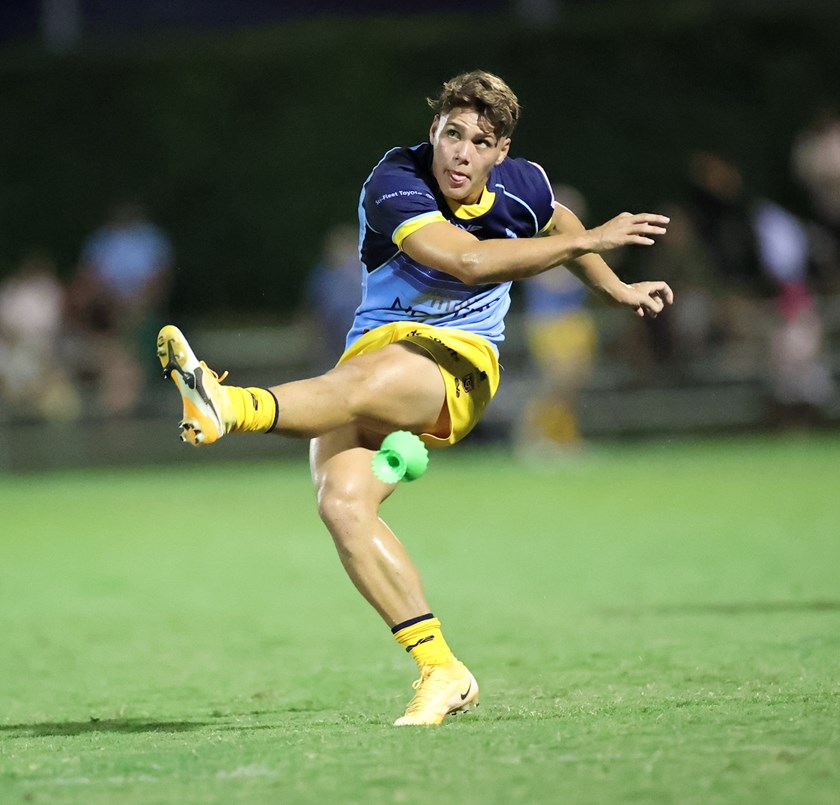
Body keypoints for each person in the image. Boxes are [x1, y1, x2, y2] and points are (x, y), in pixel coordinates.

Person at [156, 70, 672, 726]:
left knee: (370, 379)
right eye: (452, 134)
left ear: (501, 151)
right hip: (375, 360)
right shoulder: (396, 180)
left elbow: (559, 220)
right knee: (343, 505)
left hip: (459, 366)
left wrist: (615, 287)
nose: (461, 153)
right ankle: (442, 670)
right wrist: (590, 239)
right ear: (434, 130)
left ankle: (229, 407)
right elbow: (469, 261)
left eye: (480, 142)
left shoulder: (526, 186)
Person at [69, 200, 173, 415]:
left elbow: (160, 277)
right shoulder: (102, 240)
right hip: (107, 308)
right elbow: (91, 276)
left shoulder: (150, 238)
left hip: (142, 306)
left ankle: (131, 392)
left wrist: (139, 303)